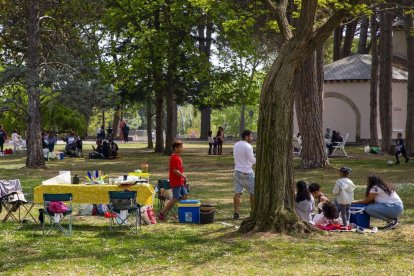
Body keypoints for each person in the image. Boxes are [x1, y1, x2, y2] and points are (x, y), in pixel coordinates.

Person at [157, 140, 188, 221]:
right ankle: (162, 213)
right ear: (176, 148)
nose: (182, 149)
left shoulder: (178, 157)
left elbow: (179, 169)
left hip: (180, 181)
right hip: (176, 181)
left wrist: (183, 177)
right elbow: (175, 170)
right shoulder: (174, 158)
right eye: (180, 147)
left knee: (184, 195)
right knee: (176, 197)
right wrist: (183, 175)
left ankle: (181, 213)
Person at [233, 130, 256, 219]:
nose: (252, 138)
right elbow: (252, 160)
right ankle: (254, 212)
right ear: (246, 137)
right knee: (253, 192)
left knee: (237, 193)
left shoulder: (236, 145)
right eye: (251, 136)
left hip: (237, 171)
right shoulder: (248, 146)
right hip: (247, 172)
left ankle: (236, 213)